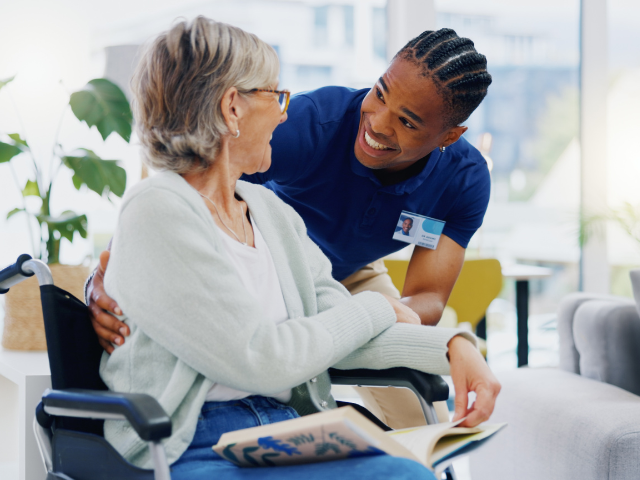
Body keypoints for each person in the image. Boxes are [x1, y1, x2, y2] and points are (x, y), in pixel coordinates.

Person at [99, 17, 499, 480]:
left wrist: (454, 346)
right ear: (233, 107)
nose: (285, 111)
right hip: (194, 439)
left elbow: (377, 315)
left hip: (319, 303)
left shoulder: (271, 214)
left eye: (407, 122)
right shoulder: (305, 131)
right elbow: (262, 354)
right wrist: (107, 278)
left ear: (449, 136)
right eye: (275, 96)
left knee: (415, 461)